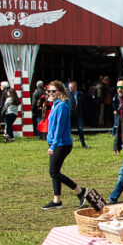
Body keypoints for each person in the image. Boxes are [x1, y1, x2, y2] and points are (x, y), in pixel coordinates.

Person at [41, 81, 89, 211]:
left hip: (62, 144)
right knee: (54, 172)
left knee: (53, 172)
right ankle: (57, 200)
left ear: (60, 92)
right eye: (49, 91)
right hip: (56, 143)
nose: (50, 93)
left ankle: (80, 191)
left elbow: (60, 128)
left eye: (53, 91)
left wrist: (53, 145)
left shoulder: (62, 106)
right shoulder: (56, 106)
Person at [68, 81, 89, 148]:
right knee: (68, 129)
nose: (70, 89)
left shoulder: (80, 94)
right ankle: (68, 144)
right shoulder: (67, 94)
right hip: (70, 113)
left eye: (71, 87)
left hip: (78, 113)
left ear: (75, 87)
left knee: (80, 128)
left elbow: (84, 104)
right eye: (69, 88)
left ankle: (83, 143)